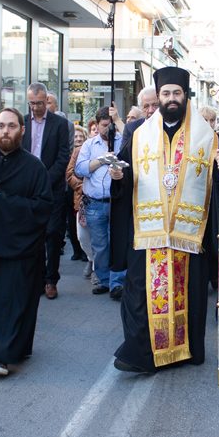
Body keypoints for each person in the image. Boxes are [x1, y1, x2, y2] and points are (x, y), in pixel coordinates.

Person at [108, 66, 219, 373]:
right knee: (140, 294)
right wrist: (118, 176)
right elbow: (125, 172)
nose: (171, 99)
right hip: (148, 233)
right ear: (159, 96)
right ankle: (141, 354)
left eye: (177, 93)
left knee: (187, 294)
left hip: (188, 234)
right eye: (166, 93)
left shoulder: (208, 136)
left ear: (185, 96)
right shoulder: (140, 135)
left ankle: (183, 351)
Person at [0, 108, 53, 377]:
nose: (6, 131)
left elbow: (43, 208)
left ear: (22, 130)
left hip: (23, 248)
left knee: (19, 301)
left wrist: (3, 202)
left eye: (12, 126)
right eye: (1, 126)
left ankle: (7, 354)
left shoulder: (34, 167)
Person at [25, 83, 71, 300]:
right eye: (32, 103)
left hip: (52, 188)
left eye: (39, 103)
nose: (35, 108)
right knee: (31, 234)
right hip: (27, 189)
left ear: (47, 101)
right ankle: (35, 278)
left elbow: (64, 156)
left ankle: (51, 279)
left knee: (53, 234)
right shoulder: (22, 122)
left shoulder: (60, 124)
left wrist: (45, 179)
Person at [74, 107, 125, 299]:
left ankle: (117, 282)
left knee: (117, 242)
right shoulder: (89, 144)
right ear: (97, 125)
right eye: (104, 126)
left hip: (117, 201)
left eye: (111, 125)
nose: (108, 130)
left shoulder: (122, 140)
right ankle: (103, 279)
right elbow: (79, 169)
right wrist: (100, 161)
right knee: (100, 244)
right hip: (95, 202)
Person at [66, 125, 91, 270]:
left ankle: (92, 262)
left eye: (81, 136)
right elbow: (69, 174)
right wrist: (83, 188)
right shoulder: (76, 151)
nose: (79, 139)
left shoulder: (91, 149)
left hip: (95, 197)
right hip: (78, 195)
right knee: (80, 231)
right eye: (76, 137)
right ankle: (86, 255)